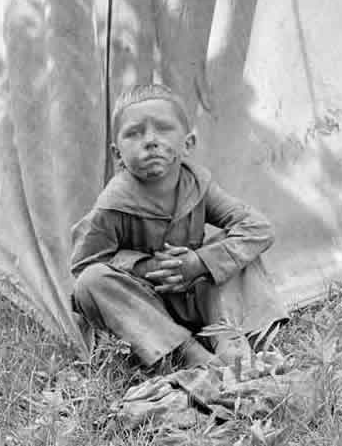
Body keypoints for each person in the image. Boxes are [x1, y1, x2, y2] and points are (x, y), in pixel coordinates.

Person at [71, 83, 275, 370]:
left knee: (237, 246)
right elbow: (84, 266)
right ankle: (187, 352)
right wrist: (146, 267)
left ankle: (229, 340)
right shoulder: (113, 203)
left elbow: (258, 227)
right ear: (117, 154)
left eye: (163, 128)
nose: (150, 141)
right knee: (91, 281)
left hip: (195, 298)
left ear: (188, 144)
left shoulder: (198, 185)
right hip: (144, 309)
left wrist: (198, 262)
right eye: (134, 133)